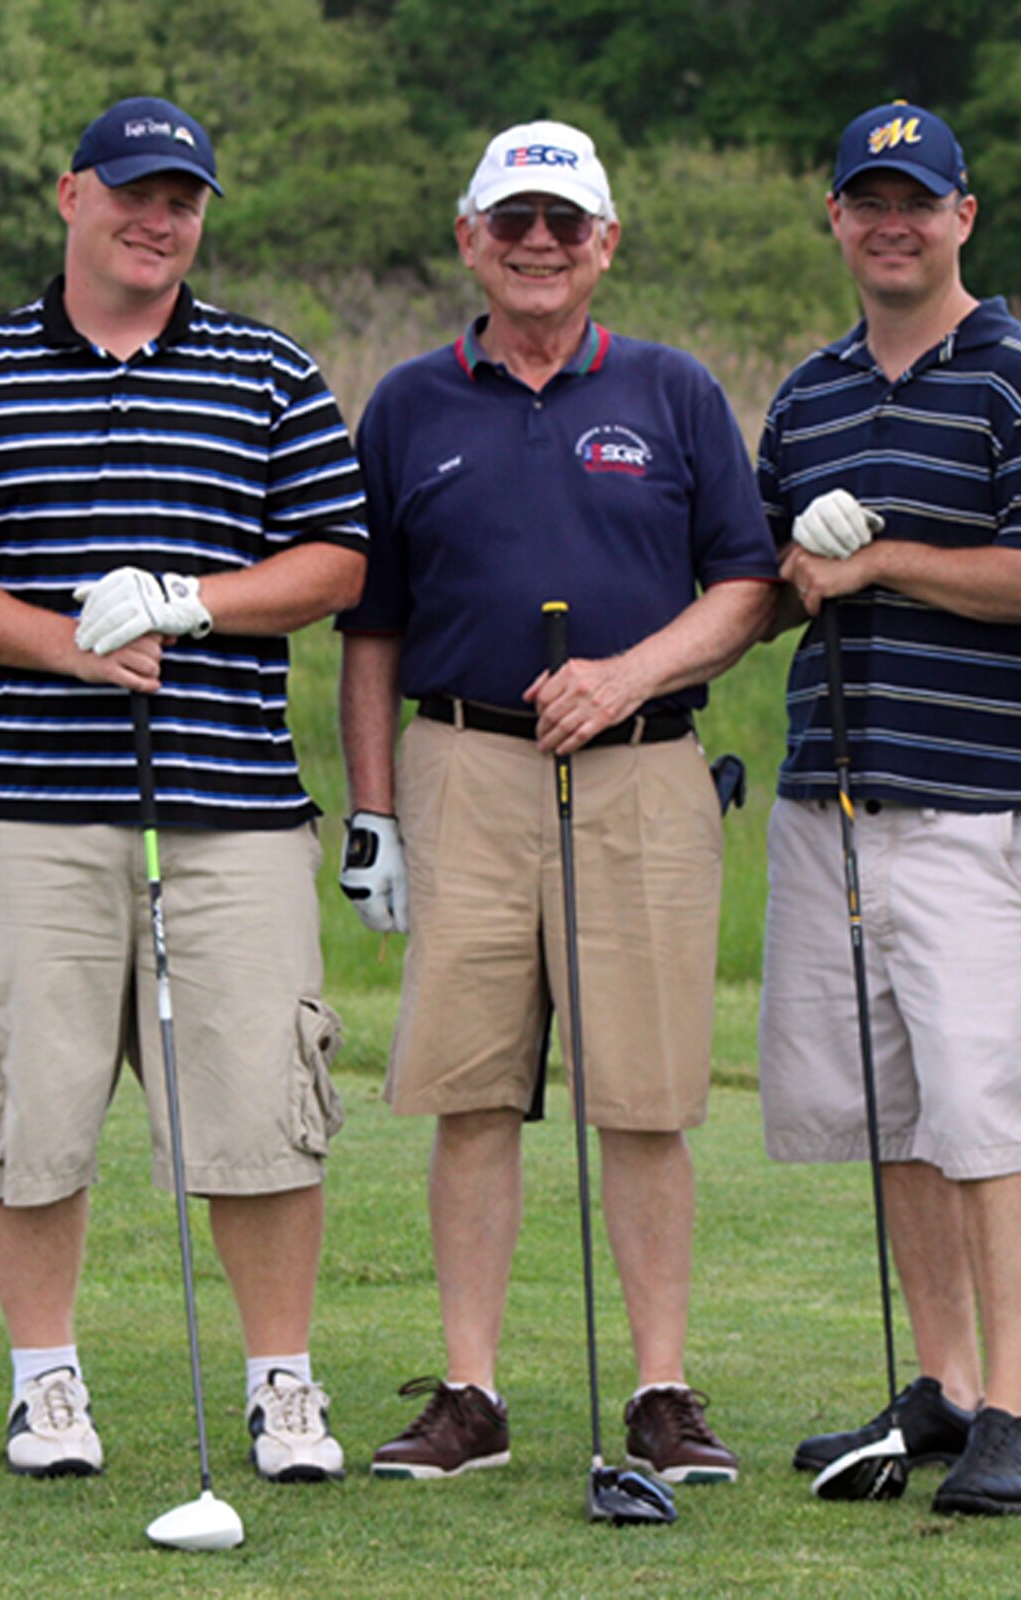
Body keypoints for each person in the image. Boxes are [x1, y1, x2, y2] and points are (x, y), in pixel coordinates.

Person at [0, 96, 366, 1485]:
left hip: (232, 811)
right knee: (28, 1100)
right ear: (73, 195)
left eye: (186, 199)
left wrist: (192, 604)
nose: (162, 220)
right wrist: (65, 642)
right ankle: (46, 1385)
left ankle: (283, 1388)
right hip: (26, 806)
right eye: (137, 192)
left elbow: (335, 563)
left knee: (263, 1102)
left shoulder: (269, 371)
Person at [335, 120, 777, 1485]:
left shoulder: (673, 391)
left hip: (642, 767)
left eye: (564, 225)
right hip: (463, 764)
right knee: (471, 1090)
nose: (539, 246)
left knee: (643, 1096)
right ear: (469, 237)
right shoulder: (410, 402)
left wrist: (623, 674)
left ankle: (660, 1389)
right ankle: (469, 1390)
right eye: (512, 223)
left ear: (607, 243)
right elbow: (371, 630)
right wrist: (372, 814)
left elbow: (749, 589)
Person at [756, 102, 1021, 1516]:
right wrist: (798, 568)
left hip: (975, 805)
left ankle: (1016, 1408)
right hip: (830, 798)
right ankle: (947, 1388)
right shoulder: (808, 394)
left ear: (966, 215)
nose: (891, 221)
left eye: (919, 199)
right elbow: (771, 576)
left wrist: (882, 559)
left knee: (982, 1111)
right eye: (866, 198)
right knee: (892, 1112)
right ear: (835, 216)